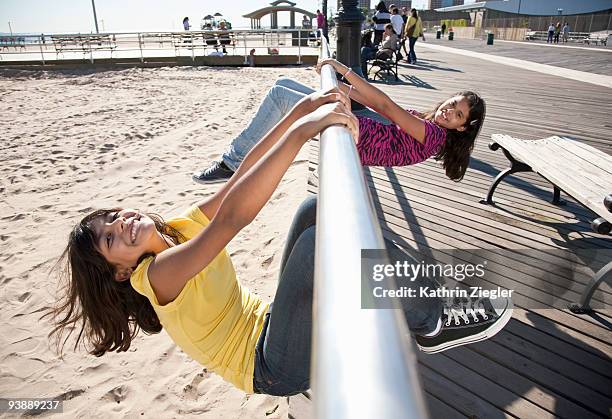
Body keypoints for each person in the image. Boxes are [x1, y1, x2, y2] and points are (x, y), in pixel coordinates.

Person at [48, 83, 511, 396]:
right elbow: (232, 220)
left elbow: (239, 178)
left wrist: (300, 109)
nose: (121, 224)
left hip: (269, 324)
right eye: (110, 239)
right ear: (120, 270)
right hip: (269, 366)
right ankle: (432, 321)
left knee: (316, 210)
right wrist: (303, 132)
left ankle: (420, 296)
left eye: (111, 217)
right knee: (316, 249)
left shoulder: (172, 229)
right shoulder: (157, 276)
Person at [193, 57, 487, 184]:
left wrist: (341, 70)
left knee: (282, 96)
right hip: (349, 120)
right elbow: (374, 104)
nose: (449, 111)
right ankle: (235, 160)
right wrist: (338, 84)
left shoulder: (434, 136)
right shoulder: (430, 124)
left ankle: (233, 164)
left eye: (457, 114)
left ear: (462, 128)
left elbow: (382, 104)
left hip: (349, 134)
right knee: (282, 84)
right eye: (451, 104)